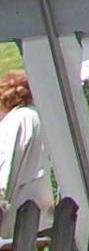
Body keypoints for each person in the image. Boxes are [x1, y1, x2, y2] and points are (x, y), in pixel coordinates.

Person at [0, 71, 53, 219]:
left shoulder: (16, 120)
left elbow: (5, 164)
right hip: (40, 205)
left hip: (17, 209)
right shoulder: (38, 116)